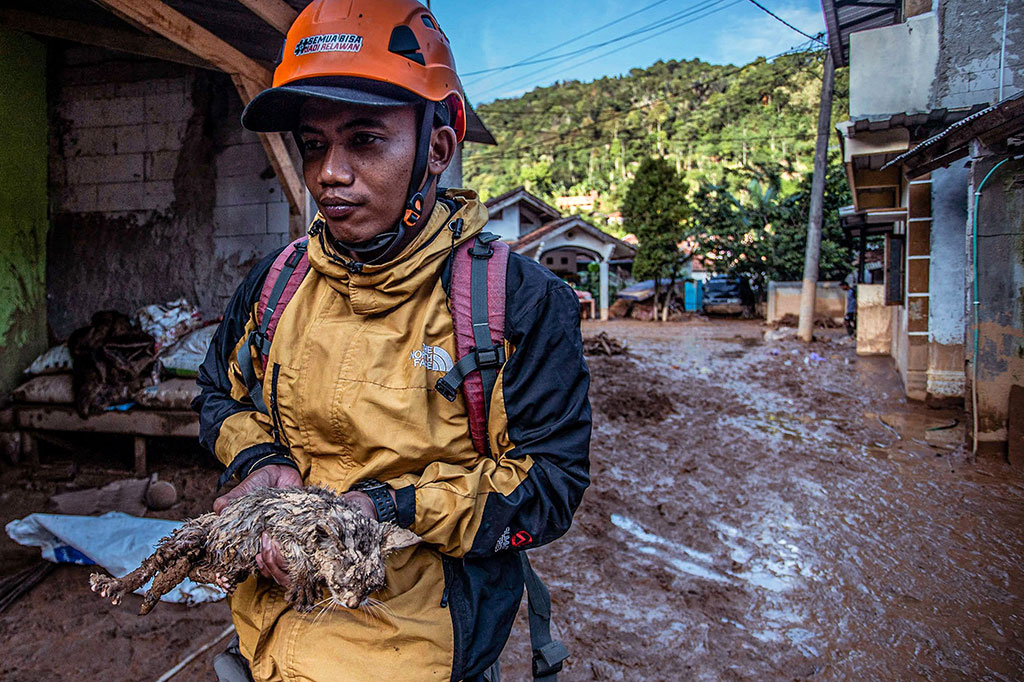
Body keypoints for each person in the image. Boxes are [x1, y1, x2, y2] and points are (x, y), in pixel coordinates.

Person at [191, 1, 592, 681]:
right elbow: (217, 396)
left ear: (437, 148)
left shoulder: (516, 302)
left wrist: (383, 510)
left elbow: (550, 486)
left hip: (422, 651)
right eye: (313, 145)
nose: (329, 174)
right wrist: (260, 460)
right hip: (269, 629)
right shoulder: (277, 283)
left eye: (365, 140)